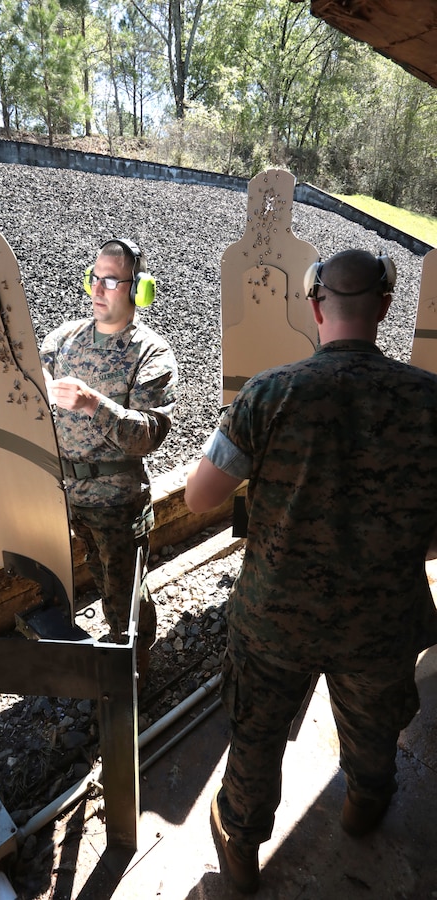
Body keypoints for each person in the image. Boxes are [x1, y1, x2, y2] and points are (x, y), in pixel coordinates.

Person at [184, 249, 437, 894]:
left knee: (257, 735)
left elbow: (199, 497)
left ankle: (241, 849)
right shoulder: (430, 401)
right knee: (373, 727)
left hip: (275, 619)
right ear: (384, 307)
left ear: (314, 306)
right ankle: (363, 806)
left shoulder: (269, 393)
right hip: (382, 623)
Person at [40, 238, 178, 683]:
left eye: (112, 281)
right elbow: (25, 378)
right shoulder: (63, 339)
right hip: (68, 496)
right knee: (96, 581)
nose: (98, 290)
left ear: (138, 290)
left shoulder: (152, 354)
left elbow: (147, 435)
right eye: (94, 278)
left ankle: (135, 677)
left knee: (126, 601)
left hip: (118, 505)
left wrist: (90, 403)